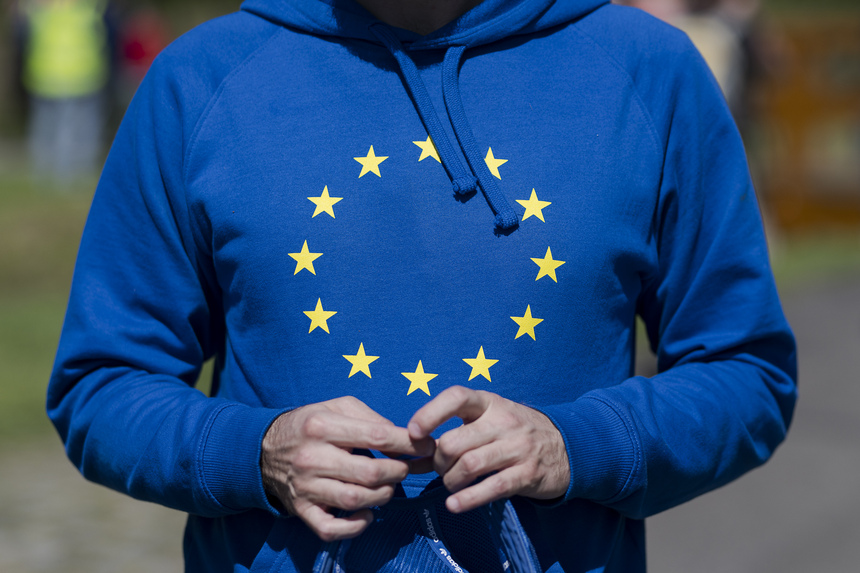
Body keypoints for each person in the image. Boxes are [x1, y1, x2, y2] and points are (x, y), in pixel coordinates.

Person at [47, 0, 797, 571]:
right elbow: (101, 383)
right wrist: (254, 451)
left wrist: (580, 443)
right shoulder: (200, 79)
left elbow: (748, 374)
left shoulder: (649, 73)